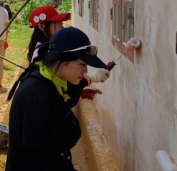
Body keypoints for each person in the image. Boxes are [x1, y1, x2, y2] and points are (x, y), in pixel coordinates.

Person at [6, 27, 111, 170]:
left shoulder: (49, 78)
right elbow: (47, 158)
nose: (85, 71)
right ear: (63, 59)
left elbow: (65, 97)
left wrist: (85, 85)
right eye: (82, 64)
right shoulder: (38, 95)